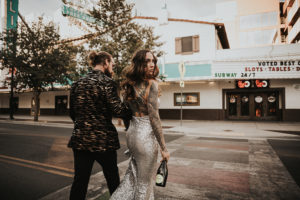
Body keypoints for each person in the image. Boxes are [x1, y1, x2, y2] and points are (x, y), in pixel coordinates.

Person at [68, 51, 132, 200]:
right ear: (105, 63)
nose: (113, 68)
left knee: (80, 181)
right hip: (103, 141)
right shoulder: (107, 82)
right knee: (112, 179)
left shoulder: (77, 82)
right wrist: (133, 107)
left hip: (81, 140)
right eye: (112, 65)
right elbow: (118, 110)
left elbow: (72, 113)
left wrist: (84, 125)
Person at [110, 49, 170, 200]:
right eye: (147, 61)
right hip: (145, 137)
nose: (151, 64)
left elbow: (125, 113)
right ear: (139, 64)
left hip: (132, 134)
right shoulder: (152, 84)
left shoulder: (129, 85)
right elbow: (154, 119)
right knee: (144, 184)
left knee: (132, 178)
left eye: (153, 61)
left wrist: (131, 132)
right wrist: (164, 148)